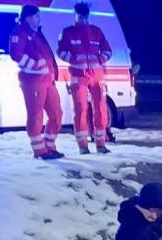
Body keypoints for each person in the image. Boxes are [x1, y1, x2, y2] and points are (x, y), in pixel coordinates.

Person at [57, 2, 113, 155]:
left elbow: (108, 50)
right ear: (75, 16)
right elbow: (60, 51)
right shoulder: (68, 32)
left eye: (86, 17)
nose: (83, 20)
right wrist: (74, 59)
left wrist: (100, 59)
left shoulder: (96, 31)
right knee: (81, 109)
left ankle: (101, 143)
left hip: (96, 75)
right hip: (78, 75)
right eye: (81, 17)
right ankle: (83, 145)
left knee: (101, 108)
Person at [9, 5, 63, 159]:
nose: (40, 19)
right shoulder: (20, 32)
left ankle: (50, 147)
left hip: (48, 80)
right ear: (28, 18)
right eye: (37, 16)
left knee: (56, 114)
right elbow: (15, 54)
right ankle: (39, 151)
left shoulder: (37, 33)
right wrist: (36, 65)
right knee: (35, 115)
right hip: (33, 81)